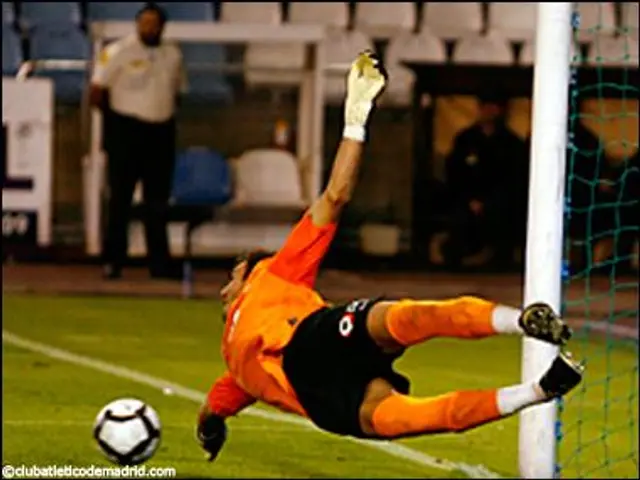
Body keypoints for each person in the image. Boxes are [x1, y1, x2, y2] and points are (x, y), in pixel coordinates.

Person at [196, 51, 584, 461]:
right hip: (327, 401)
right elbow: (213, 408)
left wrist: (355, 120)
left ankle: (519, 320)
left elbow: (335, 196)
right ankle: (539, 391)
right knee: (416, 418)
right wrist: (209, 429)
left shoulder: (275, 275)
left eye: (234, 275)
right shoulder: (237, 366)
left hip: (316, 340)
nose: (226, 287)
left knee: (408, 317)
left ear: (252, 273)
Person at [89, 3, 187, 280]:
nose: (149, 28)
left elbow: (178, 90)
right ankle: (113, 260)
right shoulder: (118, 52)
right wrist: (114, 126)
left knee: (157, 201)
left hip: (161, 132)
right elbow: (97, 91)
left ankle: (159, 263)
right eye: (144, 23)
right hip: (127, 130)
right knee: (120, 198)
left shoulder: (173, 55)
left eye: (154, 23)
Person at [442, 90, 529, 269]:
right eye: (486, 106)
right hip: (467, 199)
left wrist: (490, 201)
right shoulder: (465, 139)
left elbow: (514, 178)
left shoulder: (512, 143)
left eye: (494, 107)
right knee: (459, 217)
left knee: (506, 215)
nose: (490, 111)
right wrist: (470, 199)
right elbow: (455, 172)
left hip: (500, 202)